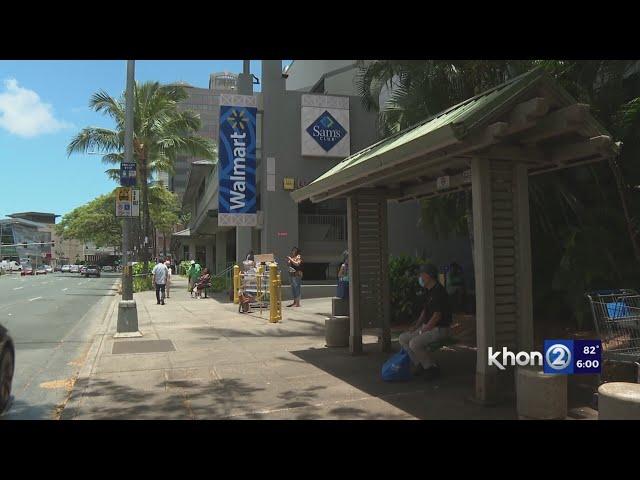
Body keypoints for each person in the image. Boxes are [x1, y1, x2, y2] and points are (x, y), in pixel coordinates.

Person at [398, 263, 452, 381]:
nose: (420, 278)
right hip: (428, 327)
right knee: (403, 338)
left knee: (414, 343)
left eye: (422, 275)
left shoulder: (439, 292)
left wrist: (423, 330)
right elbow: (424, 312)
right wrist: (416, 327)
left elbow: (437, 316)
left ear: (429, 276)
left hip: (440, 329)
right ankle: (420, 364)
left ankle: (431, 368)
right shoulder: (428, 291)